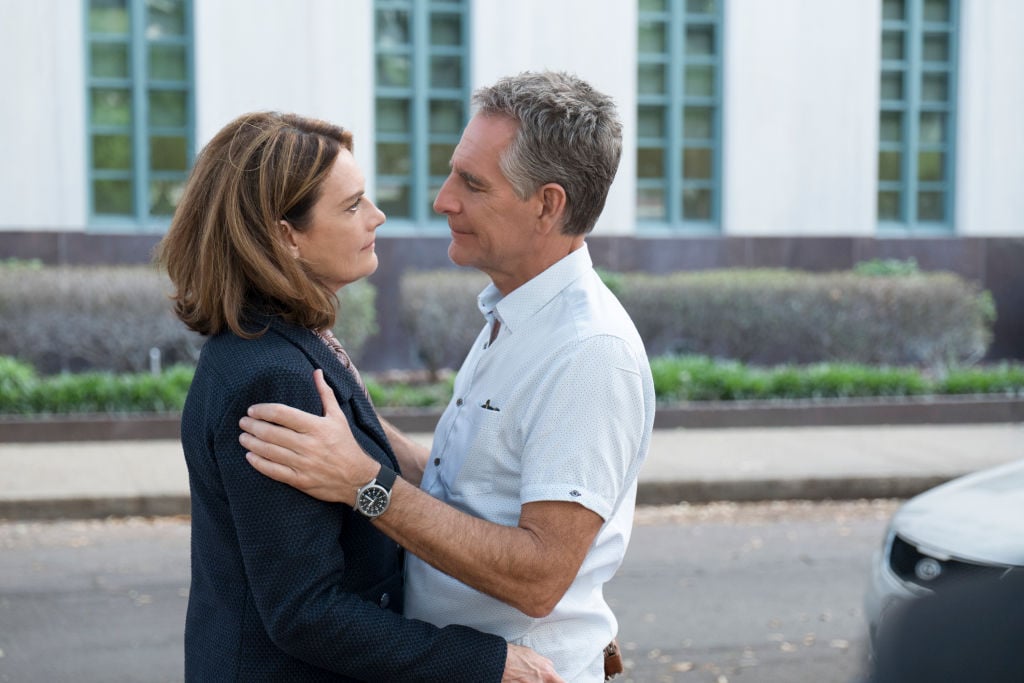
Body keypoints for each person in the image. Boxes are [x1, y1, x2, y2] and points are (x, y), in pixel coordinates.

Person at [240, 71, 655, 682]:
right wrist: (344, 405)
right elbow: (464, 493)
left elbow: (539, 577)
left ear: (548, 205)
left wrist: (364, 483)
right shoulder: (513, 314)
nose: (443, 199)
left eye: (473, 183)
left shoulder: (588, 353)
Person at [157, 111, 560, 682]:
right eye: (351, 206)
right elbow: (304, 611)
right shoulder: (274, 377)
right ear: (285, 235)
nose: (377, 216)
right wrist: (488, 664)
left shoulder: (279, 338)